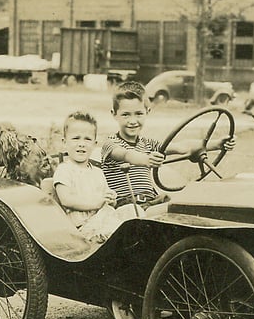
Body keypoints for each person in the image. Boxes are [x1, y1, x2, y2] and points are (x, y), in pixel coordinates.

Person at [101, 80, 235, 215]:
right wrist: (146, 159)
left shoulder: (148, 144)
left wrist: (217, 144)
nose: (133, 121)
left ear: (147, 111)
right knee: (180, 211)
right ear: (114, 114)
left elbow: (183, 147)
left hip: (152, 201)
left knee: (190, 203)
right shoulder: (111, 144)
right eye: (125, 114)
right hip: (127, 206)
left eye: (138, 114)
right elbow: (126, 155)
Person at [52, 111, 121, 243]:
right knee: (118, 230)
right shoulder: (65, 170)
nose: (82, 144)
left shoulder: (97, 172)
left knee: (132, 214)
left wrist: (110, 198)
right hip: (83, 227)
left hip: (103, 218)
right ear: (64, 142)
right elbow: (66, 200)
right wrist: (97, 203)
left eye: (87, 139)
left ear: (94, 144)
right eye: (76, 138)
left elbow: (106, 200)